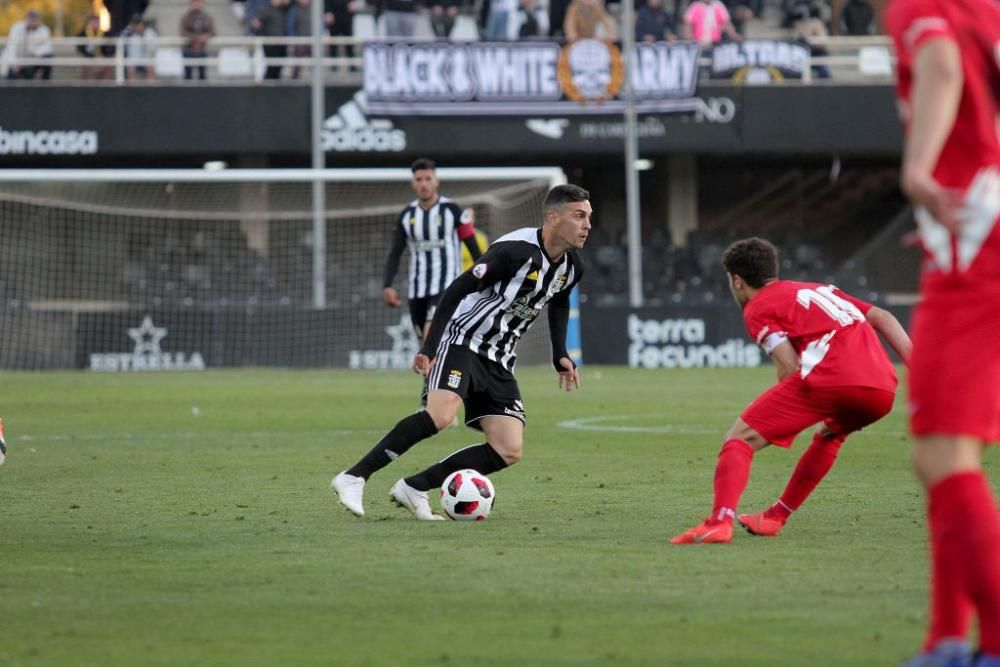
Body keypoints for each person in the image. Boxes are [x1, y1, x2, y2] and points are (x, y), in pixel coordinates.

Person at [332, 184, 590, 520]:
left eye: (589, 217)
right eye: (579, 216)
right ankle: (354, 476)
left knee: (508, 449)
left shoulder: (572, 266)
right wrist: (429, 346)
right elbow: (456, 289)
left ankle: (414, 486)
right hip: (463, 339)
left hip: (500, 356)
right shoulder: (514, 251)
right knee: (440, 415)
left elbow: (558, 299)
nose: (587, 224)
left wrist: (560, 353)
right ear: (553, 218)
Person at [886, 1, 1000, 664]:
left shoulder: (920, 8)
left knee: (937, 458)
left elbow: (941, 63)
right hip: (975, 234)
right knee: (952, 458)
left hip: (975, 251)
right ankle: (948, 639)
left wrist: (918, 173)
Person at [671, 237, 912, 544]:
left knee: (739, 438)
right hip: (882, 388)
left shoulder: (757, 307)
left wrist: (784, 414)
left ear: (737, 281)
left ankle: (720, 523)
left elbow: (787, 365)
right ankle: (774, 518)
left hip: (832, 379)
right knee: (830, 434)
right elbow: (883, 317)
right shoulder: (821, 290)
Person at [381, 158, 484, 344]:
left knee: (431, 335)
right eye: (419, 179)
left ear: (436, 181)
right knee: (424, 348)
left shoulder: (453, 211)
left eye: (428, 178)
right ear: (413, 183)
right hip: (417, 289)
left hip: (446, 286)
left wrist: (485, 277)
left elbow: (473, 246)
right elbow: (395, 253)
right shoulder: (406, 216)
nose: (424, 184)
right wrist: (387, 285)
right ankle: (433, 374)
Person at [3, 10, 54, 81]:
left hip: (33, 61)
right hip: (18, 61)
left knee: (48, 57)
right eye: (31, 18)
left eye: (35, 19)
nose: (33, 21)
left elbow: (48, 47)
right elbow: (11, 47)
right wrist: (14, 62)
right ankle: (8, 90)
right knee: (11, 72)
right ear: (27, 19)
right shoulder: (17, 28)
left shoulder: (44, 30)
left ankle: (45, 86)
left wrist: (34, 53)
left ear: (39, 20)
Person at [180, 0, 216, 80]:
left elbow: (212, 31)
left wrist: (206, 36)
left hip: (202, 49)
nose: (197, 4)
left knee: (202, 75)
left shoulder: (207, 17)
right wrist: (197, 39)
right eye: (195, 2)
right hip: (188, 49)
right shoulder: (186, 17)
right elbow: (183, 32)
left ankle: (203, 92)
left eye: (199, 2)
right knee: (187, 75)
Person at [77, 14, 114, 80]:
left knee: (108, 65)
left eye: (96, 21)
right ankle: (88, 86)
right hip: (89, 57)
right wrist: (89, 55)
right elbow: (80, 47)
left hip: (102, 56)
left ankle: (107, 86)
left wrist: (104, 55)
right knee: (86, 65)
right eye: (93, 21)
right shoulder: (83, 34)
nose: (95, 23)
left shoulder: (105, 34)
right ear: (89, 22)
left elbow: (110, 47)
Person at [122, 15, 158, 81]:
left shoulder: (149, 32)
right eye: (134, 24)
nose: (136, 26)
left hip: (146, 58)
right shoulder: (128, 31)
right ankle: (132, 89)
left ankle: (151, 90)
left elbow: (153, 47)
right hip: (133, 59)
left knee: (150, 68)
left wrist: (142, 34)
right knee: (131, 69)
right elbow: (120, 42)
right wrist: (130, 33)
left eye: (138, 24)